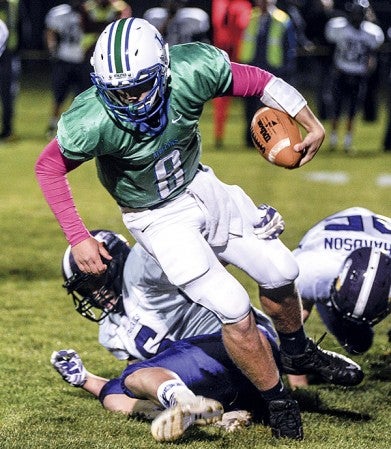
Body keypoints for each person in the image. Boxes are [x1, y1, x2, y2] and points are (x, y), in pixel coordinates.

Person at [35, 17, 363, 440]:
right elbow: (48, 166)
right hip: (155, 216)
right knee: (231, 306)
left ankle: (298, 350)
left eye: (138, 86)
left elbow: (260, 81)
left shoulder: (192, 69)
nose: (130, 100)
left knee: (282, 271)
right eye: (117, 92)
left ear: (164, 71)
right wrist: (78, 237)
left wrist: (311, 121)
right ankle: (278, 402)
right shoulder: (92, 118)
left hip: (200, 184)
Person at [55, 227, 294, 441]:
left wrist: (249, 229)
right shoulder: (111, 330)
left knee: (134, 374)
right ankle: (213, 414)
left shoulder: (143, 267)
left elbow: (210, 252)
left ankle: (184, 403)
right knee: (116, 393)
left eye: (95, 282)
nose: (95, 294)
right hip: (219, 381)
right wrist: (83, 380)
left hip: (240, 347)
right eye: (86, 290)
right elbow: (142, 383)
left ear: (114, 261)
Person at [288, 206, 391, 387]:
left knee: (359, 343)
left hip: (371, 244)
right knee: (356, 340)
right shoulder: (311, 271)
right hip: (326, 252)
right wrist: (298, 382)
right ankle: (326, 302)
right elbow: (292, 319)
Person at [325, 0, 384, 152]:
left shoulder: (372, 32)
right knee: (336, 108)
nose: (356, 17)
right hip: (341, 71)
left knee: (352, 110)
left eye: (359, 14)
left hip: (358, 74)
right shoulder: (338, 27)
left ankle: (347, 141)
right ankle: (333, 138)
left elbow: (373, 53)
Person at [239, 0, 298, 146]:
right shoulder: (250, 17)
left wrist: (286, 69)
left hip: (272, 68)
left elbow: (289, 45)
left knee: (270, 107)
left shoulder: (282, 19)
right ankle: (250, 138)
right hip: (252, 67)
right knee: (250, 106)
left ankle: (268, 139)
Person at [44, 1, 91, 139]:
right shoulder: (60, 12)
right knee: (59, 96)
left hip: (84, 59)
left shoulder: (90, 11)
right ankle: (53, 125)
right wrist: (52, 50)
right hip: (65, 58)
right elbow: (50, 32)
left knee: (83, 97)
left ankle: (81, 126)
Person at [211, 0, 252, 148]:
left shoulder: (234, 5)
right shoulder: (239, 6)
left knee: (250, 102)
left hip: (236, 58)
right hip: (229, 58)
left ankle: (251, 135)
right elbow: (241, 25)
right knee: (222, 101)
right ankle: (219, 137)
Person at [143, 0, 210, 47]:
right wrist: (168, 19)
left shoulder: (195, 17)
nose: (173, 3)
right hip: (163, 54)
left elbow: (203, 41)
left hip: (185, 54)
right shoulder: (154, 16)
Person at [0, 0, 21, 142]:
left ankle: (7, 130)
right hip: (8, 53)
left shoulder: (11, 4)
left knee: (7, 95)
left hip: (7, 54)